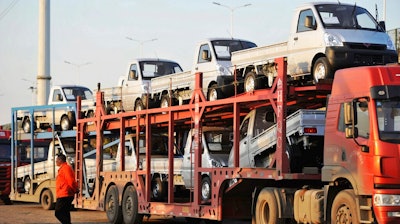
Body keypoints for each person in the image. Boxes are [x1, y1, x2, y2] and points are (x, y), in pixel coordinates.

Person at [55, 154, 78, 224]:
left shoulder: (65, 168)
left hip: (65, 194)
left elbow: (71, 181)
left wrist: (74, 189)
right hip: (64, 194)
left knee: (58, 213)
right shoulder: (63, 168)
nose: (56, 161)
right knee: (65, 212)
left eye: (57, 160)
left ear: (60, 160)